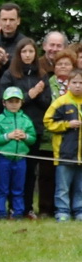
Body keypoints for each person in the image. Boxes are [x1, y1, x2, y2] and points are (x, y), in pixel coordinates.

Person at [0, 87, 36, 218]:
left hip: (21, 159)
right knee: (2, 188)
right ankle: (1, 213)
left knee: (18, 189)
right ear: (4, 103)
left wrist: (25, 136)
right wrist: (8, 136)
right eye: (10, 101)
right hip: (4, 158)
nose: (14, 104)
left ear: (21, 103)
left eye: (16, 101)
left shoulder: (26, 120)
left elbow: (32, 139)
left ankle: (18, 213)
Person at [44, 64, 82, 219]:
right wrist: (67, 125)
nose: (78, 86)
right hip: (64, 153)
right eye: (75, 83)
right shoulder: (60, 102)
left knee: (80, 187)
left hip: (81, 155)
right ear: (68, 84)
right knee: (63, 187)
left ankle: (79, 210)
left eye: (81, 83)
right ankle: (62, 211)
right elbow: (48, 122)